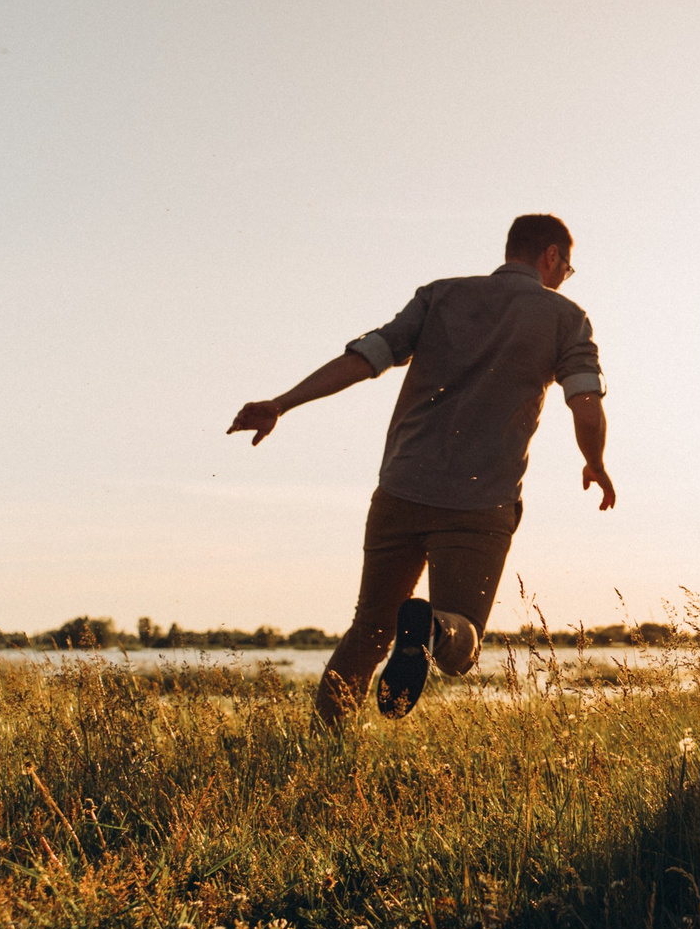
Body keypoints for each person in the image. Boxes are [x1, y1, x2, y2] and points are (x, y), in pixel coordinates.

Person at [227, 213, 614, 726]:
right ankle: (432, 630)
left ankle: (319, 750)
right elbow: (585, 401)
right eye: (567, 266)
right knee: (460, 643)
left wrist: (281, 403)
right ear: (550, 255)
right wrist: (595, 462)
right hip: (480, 501)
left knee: (368, 631)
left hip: (401, 488)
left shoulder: (440, 295)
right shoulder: (567, 318)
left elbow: (365, 359)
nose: (566, 276)